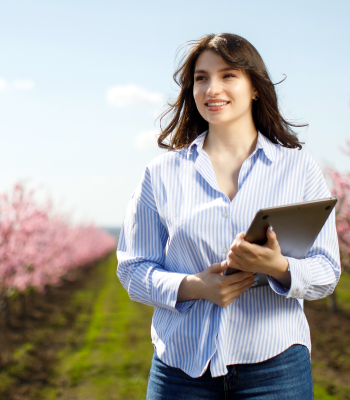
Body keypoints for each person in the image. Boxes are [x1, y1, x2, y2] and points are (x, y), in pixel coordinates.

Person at [116, 33, 340, 399]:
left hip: (276, 367)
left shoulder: (298, 168)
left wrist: (278, 267)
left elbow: (327, 271)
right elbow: (132, 267)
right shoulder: (160, 173)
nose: (211, 88)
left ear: (254, 87)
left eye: (228, 75)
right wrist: (194, 287)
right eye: (201, 78)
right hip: (181, 370)